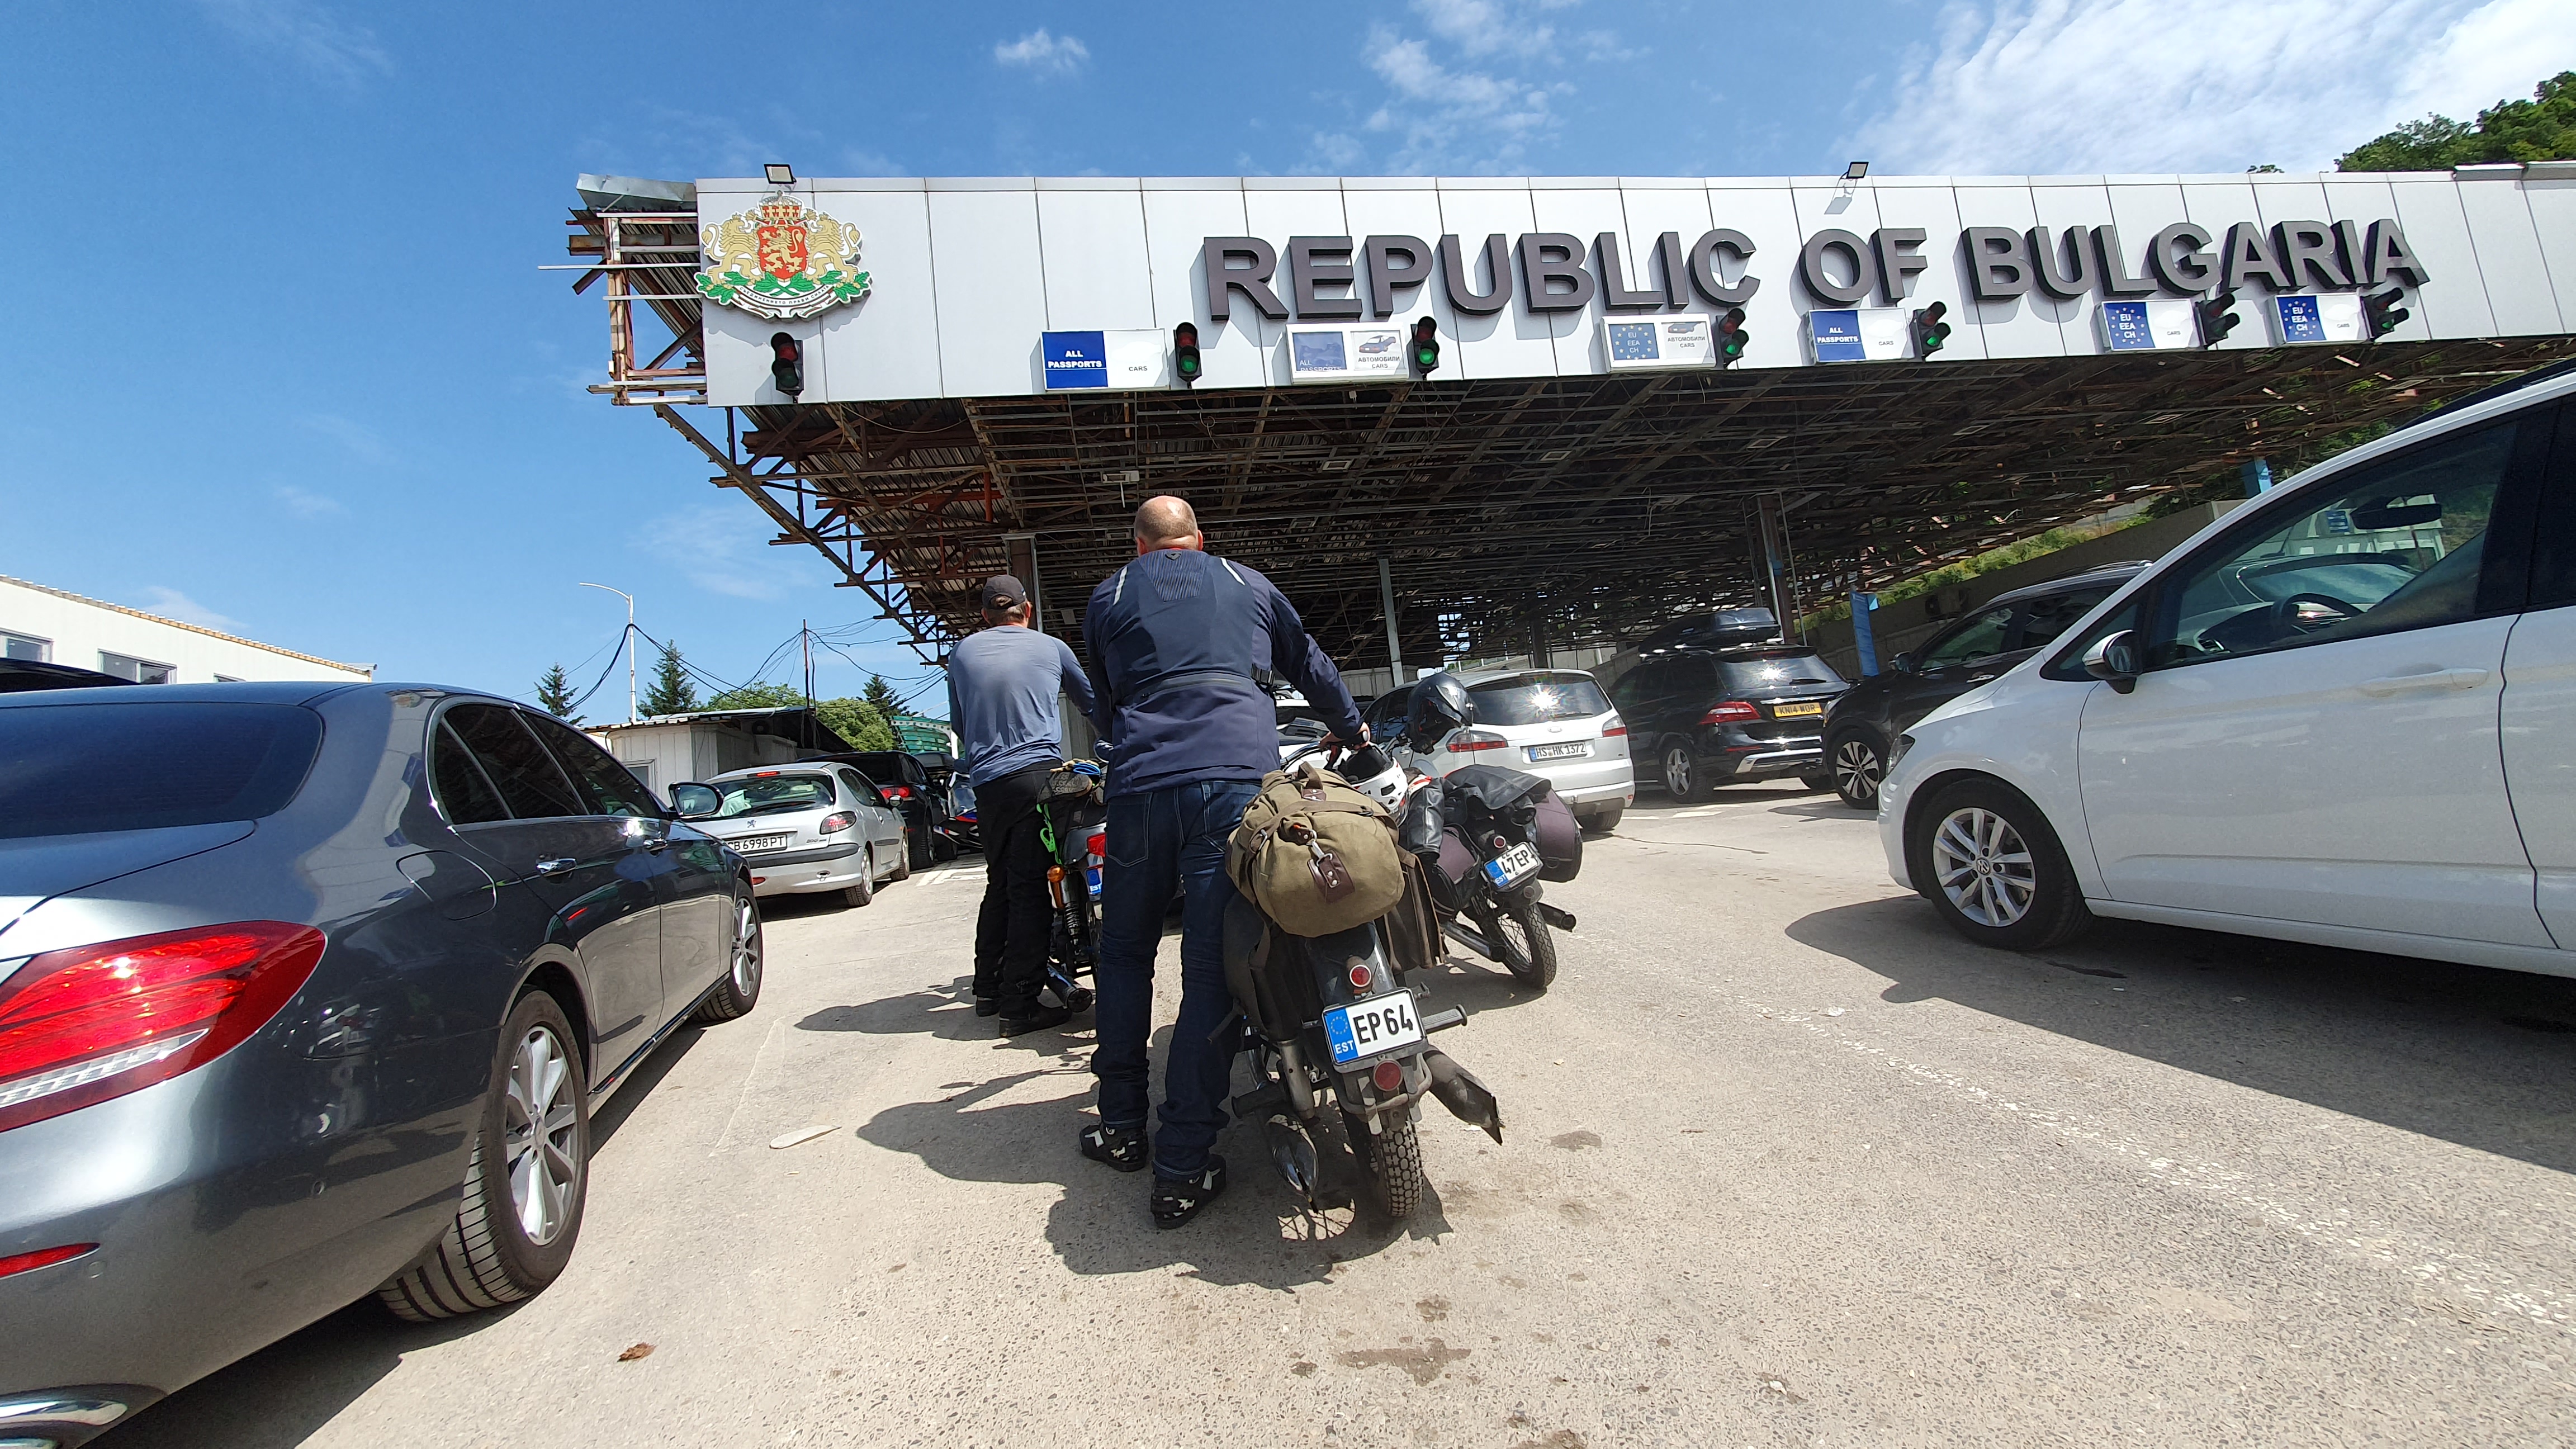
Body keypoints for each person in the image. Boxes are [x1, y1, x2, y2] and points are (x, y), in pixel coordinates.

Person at [1080, 496, 1367, 1228]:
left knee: (1124, 956)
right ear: (1199, 540)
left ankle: (1121, 1128)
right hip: (1235, 785)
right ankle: (1183, 1166)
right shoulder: (1247, 583)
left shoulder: (1109, 595)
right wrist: (1352, 729)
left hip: (1140, 789)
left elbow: (1106, 707)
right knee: (1212, 968)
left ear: (1139, 546)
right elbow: (1308, 662)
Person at [945, 575, 1096, 1037]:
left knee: (1002, 883)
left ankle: (989, 990)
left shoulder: (962, 653)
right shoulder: (1052, 647)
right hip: (1037, 779)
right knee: (1032, 887)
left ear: (985, 616)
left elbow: (960, 724)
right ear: (1027, 610)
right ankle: (1020, 1005)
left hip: (989, 785)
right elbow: (1093, 704)